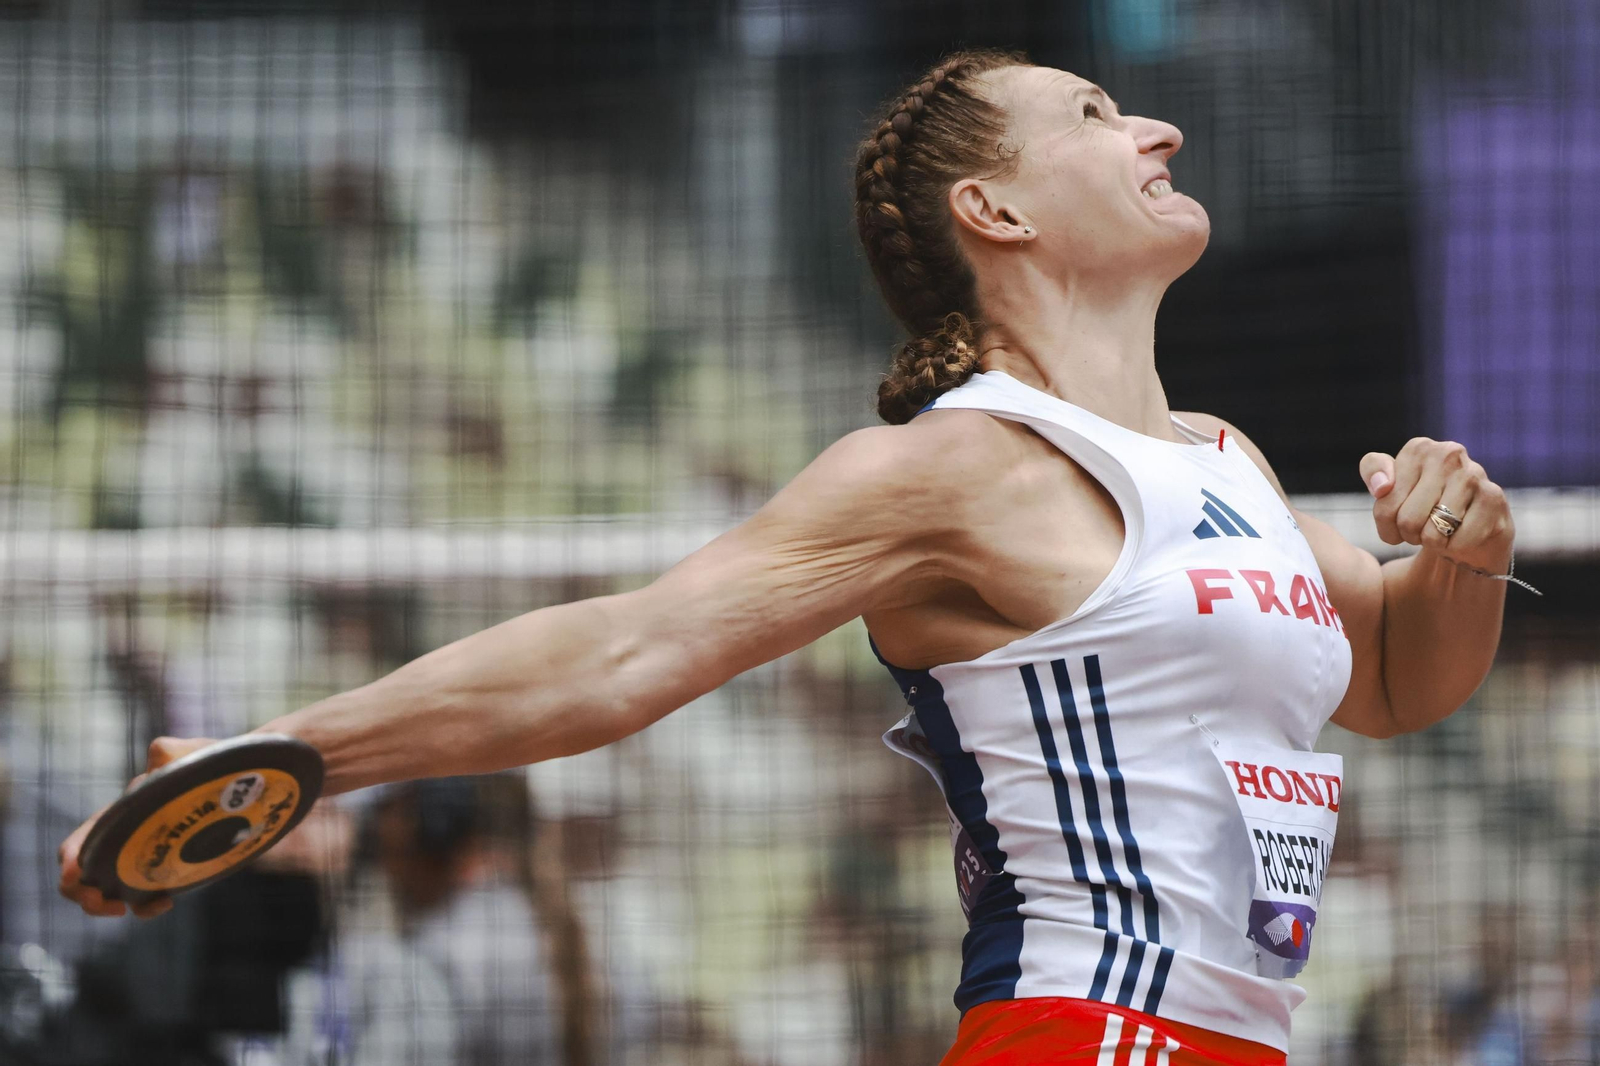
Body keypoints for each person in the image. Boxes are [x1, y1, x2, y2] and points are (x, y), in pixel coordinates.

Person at [60, 49, 1524, 1065]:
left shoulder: (1226, 458)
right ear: (994, 210)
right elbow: (631, 648)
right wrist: (297, 751)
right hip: (1088, 1031)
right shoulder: (957, 465)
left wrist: (1466, 552)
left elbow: (1393, 674)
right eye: (1095, 111)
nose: (1158, 131)